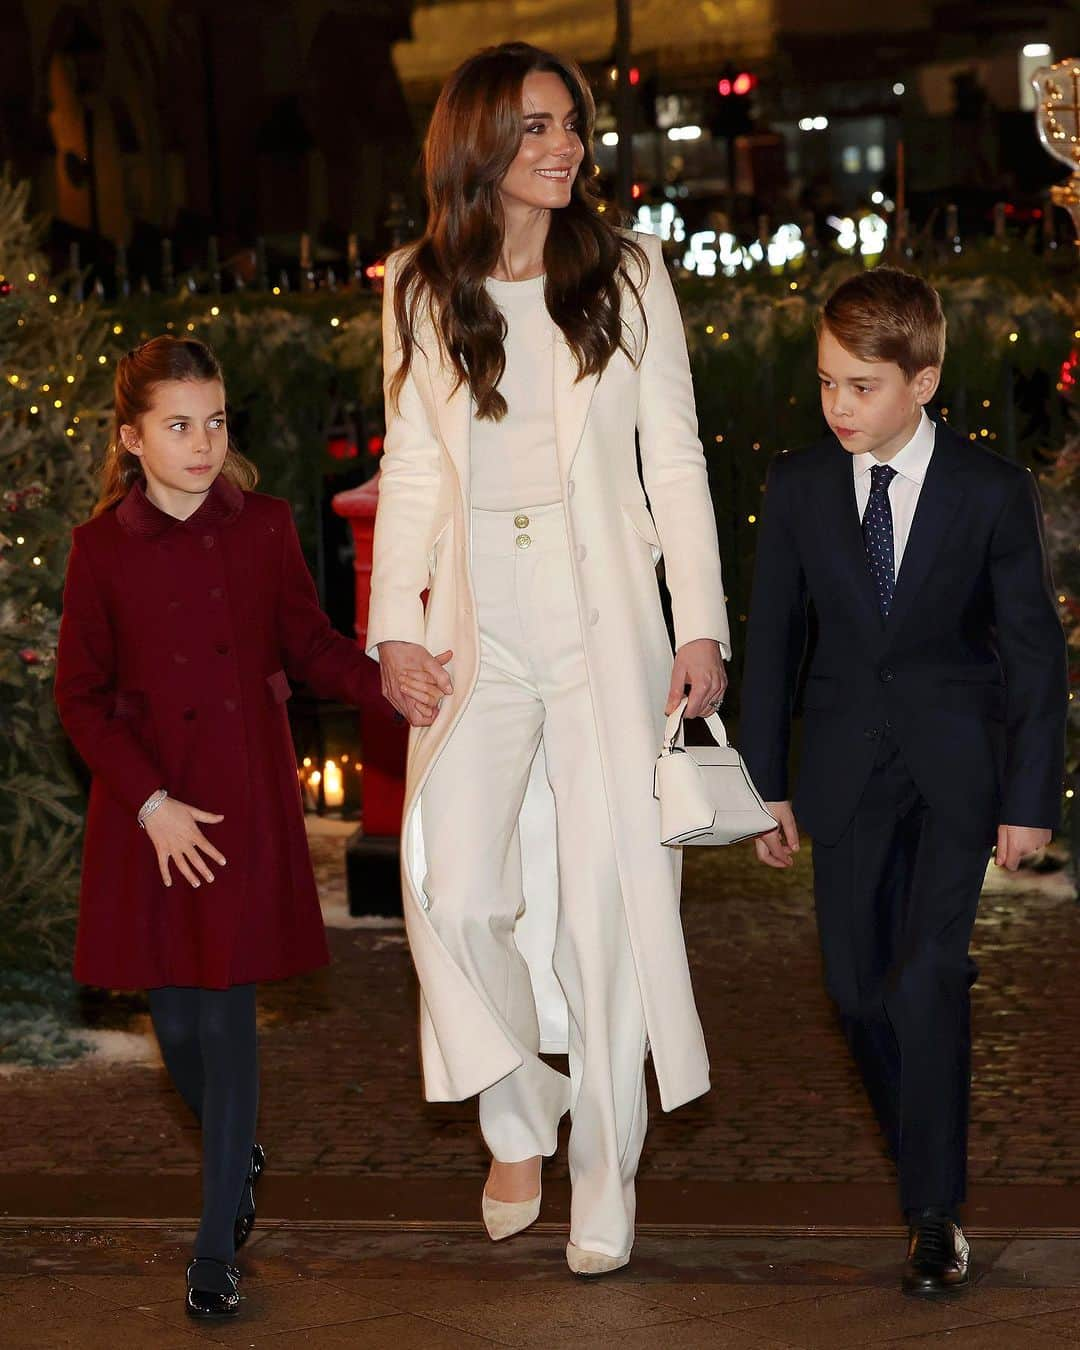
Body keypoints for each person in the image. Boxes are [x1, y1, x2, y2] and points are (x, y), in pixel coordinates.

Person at [368, 42, 730, 1276]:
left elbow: (673, 457)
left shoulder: (627, 273)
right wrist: (397, 628)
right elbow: (414, 462)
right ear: (478, 145)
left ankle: (602, 1170)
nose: (565, 145)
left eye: (571, 124)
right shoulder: (421, 284)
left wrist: (699, 625)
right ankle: (522, 1103)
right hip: (480, 615)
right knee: (450, 886)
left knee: (606, 899)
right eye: (535, 128)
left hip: (605, 614)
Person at [741, 268, 1068, 1295]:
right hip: (842, 774)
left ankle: (933, 1212)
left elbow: (1032, 654)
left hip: (953, 776)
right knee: (853, 990)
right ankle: (923, 1157)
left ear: (922, 381)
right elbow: (775, 643)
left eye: (863, 387)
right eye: (829, 382)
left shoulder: (988, 490)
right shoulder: (796, 487)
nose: (839, 406)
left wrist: (1028, 802)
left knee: (927, 978)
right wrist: (766, 785)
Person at [55, 336, 370, 1319]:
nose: (202, 442)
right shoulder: (100, 549)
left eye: (215, 421)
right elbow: (81, 696)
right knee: (177, 1026)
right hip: (152, 816)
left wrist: (395, 684)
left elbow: (312, 643)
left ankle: (210, 1251)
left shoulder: (265, 526)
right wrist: (148, 803)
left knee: (228, 1025)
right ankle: (239, 1155)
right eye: (179, 425)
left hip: (240, 806)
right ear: (133, 439)